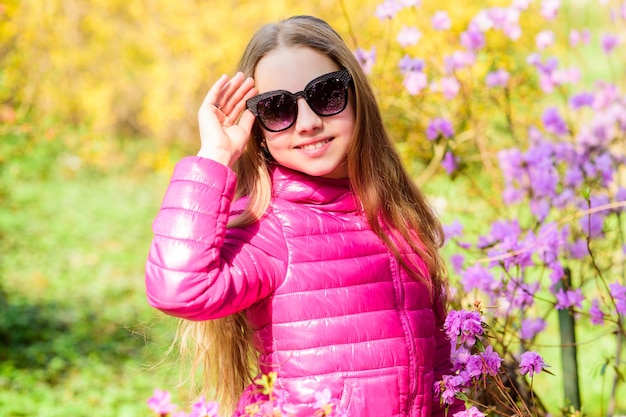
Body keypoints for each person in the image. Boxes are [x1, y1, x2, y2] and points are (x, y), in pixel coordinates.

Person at [145, 15, 464, 417]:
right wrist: (216, 154)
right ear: (258, 126)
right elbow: (178, 289)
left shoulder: (399, 214)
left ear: (356, 94)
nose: (309, 123)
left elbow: (439, 371)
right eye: (278, 108)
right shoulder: (271, 226)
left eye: (326, 94)